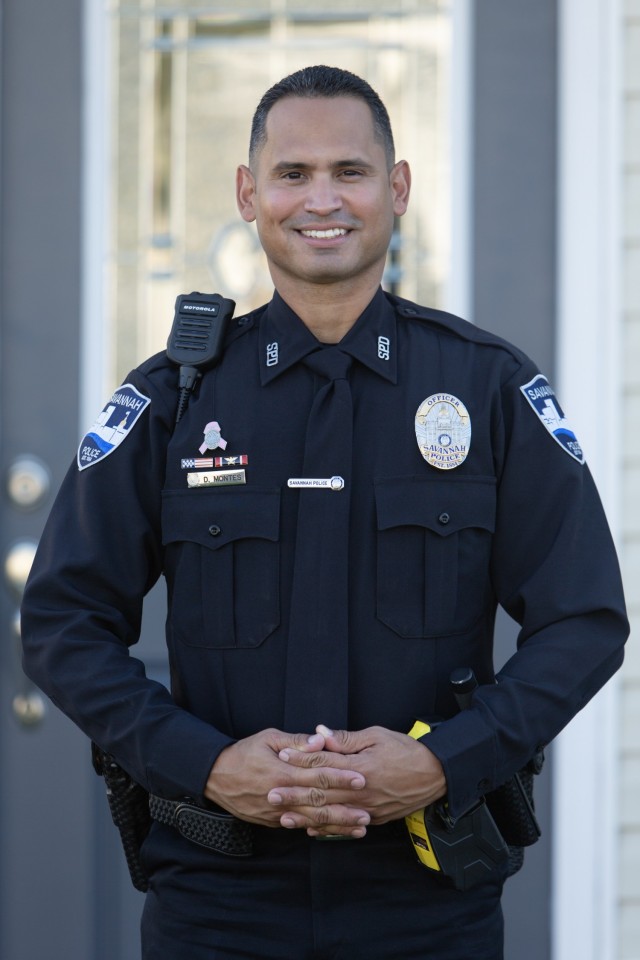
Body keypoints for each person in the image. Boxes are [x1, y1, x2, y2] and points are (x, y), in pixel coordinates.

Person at [21, 65, 628, 960]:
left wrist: (443, 762)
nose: (322, 200)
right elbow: (63, 621)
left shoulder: (485, 388)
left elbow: (585, 621)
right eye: (292, 174)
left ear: (398, 189)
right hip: (216, 899)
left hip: (429, 901)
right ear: (248, 193)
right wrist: (206, 765)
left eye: (350, 171)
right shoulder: (175, 401)